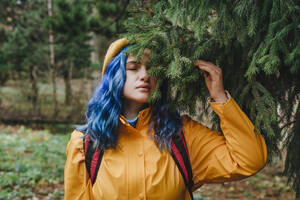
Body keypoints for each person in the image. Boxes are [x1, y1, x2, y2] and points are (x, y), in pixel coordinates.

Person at [64, 38, 267, 200]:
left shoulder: (182, 135)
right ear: (114, 76)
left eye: (152, 69)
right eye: (133, 68)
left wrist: (220, 98)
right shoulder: (85, 144)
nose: (145, 75)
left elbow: (249, 159)